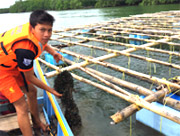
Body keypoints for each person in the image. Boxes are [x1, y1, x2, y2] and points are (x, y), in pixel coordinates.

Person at [0, 10, 63, 136]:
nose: (47, 34)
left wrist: (53, 52)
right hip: (2, 70)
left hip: (12, 63)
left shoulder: (32, 31)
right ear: (33, 27)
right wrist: (52, 90)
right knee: (22, 107)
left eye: (49, 30)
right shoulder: (25, 49)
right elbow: (30, 77)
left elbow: (42, 43)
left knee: (32, 91)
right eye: (43, 30)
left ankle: (36, 123)